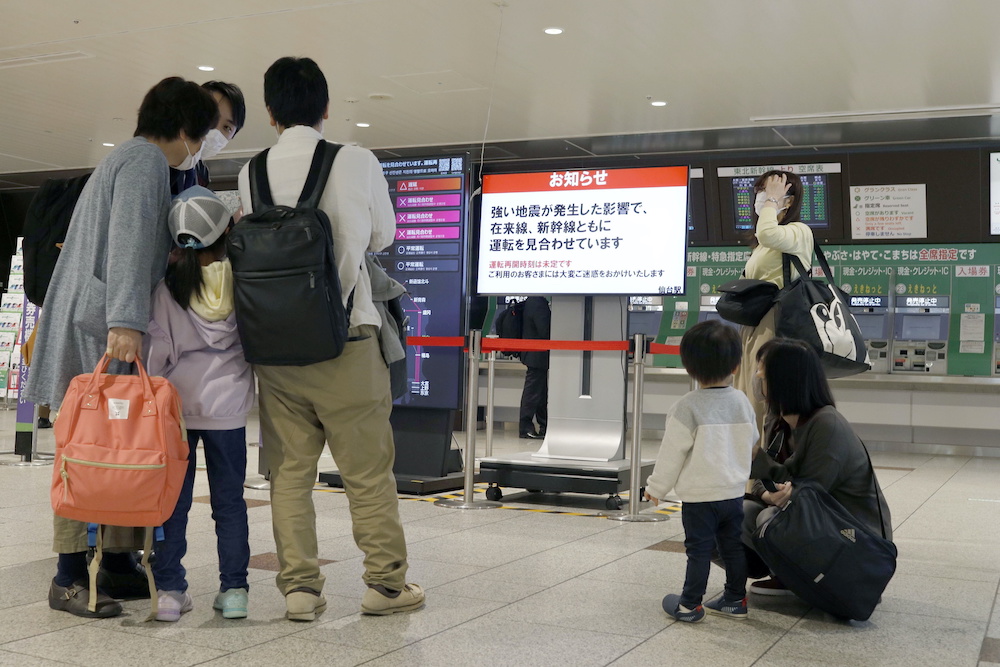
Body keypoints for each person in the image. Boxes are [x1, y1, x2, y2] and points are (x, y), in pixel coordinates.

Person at [23, 77, 219, 618]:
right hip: (102, 328)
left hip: (92, 320)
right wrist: (129, 322)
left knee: (114, 446)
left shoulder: (126, 157)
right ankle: (68, 577)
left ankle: (114, 563)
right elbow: (131, 241)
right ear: (183, 131)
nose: (198, 148)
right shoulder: (145, 164)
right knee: (84, 451)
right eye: (200, 137)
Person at [237, 56, 423, 622]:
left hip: (276, 349)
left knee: (289, 474)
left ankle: (299, 589)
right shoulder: (355, 160)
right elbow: (384, 234)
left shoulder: (252, 171)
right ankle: (385, 587)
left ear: (269, 113)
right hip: (348, 341)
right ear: (324, 108)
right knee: (367, 472)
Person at [143, 187, 254, 622]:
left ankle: (170, 591)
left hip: (177, 414)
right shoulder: (244, 280)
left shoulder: (167, 288)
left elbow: (156, 358)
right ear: (227, 232)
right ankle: (235, 592)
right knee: (230, 503)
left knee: (173, 502)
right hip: (229, 410)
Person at [743, 338, 893, 596]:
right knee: (738, 512)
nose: (757, 378)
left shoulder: (827, 425)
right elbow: (765, 479)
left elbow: (811, 497)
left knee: (771, 518)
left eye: (762, 372)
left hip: (855, 539)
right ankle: (788, 576)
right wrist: (768, 493)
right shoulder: (777, 421)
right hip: (816, 524)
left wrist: (782, 490)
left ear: (785, 378)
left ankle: (818, 579)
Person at [644, 320, 759, 623]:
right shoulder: (743, 403)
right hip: (733, 492)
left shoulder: (687, 407)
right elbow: (754, 441)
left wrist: (656, 488)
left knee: (699, 550)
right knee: (733, 547)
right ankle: (736, 599)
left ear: (689, 366)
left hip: (699, 498)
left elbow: (671, 454)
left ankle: (689, 604)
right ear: (736, 365)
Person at [731, 171, 813, 432]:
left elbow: (766, 232)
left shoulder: (798, 231)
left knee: (762, 396)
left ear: (788, 201)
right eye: (761, 193)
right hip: (755, 322)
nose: (761, 199)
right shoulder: (762, 245)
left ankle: (766, 465)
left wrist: (773, 201)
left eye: (767, 193)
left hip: (776, 322)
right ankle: (749, 465)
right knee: (746, 394)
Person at [170, 80, 246, 193]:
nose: (215, 130)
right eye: (212, 117)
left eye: (227, 128)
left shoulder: (201, 173)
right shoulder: (157, 160)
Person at [519, 296, 550, 439]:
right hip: (537, 355)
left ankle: (544, 426)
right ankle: (525, 427)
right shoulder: (538, 302)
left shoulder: (532, 301)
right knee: (532, 393)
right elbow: (545, 330)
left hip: (535, 355)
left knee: (540, 393)